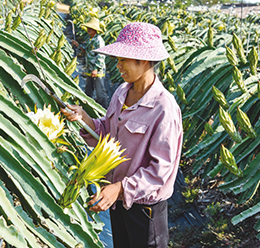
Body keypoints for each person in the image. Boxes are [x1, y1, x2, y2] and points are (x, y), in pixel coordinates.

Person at [62, 22, 183, 248]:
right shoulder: (121, 92)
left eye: (123, 60)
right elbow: (108, 134)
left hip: (145, 211)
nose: (117, 65)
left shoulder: (164, 108)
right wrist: (84, 118)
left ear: (144, 60)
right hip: (117, 202)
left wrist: (120, 188)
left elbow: (161, 171)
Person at [72, 17, 108, 108]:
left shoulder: (99, 40)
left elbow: (101, 56)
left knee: (100, 92)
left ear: (95, 30)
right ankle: (87, 107)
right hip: (89, 68)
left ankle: (103, 109)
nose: (89, 29)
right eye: (88, 27)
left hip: (97, 70)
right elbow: (86, 51)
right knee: (89, 89)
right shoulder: (89, 39)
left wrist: (96, 69)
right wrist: (78, 45)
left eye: (91, 28)